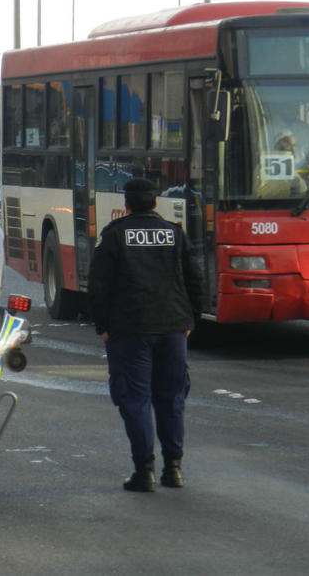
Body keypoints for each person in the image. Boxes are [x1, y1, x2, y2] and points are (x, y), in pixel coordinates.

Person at [89, 177, 204, 492]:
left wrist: (103, 327)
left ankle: (145, 472)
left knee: (135, 399)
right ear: (156, 203)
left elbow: (99, 286)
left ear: (126, 204)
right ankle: (174, 470)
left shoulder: (114, 236)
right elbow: (195, 278)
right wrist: (191, 319)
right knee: (172, 399)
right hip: (173, 328)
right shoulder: (175, 233)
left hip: (130, 330)